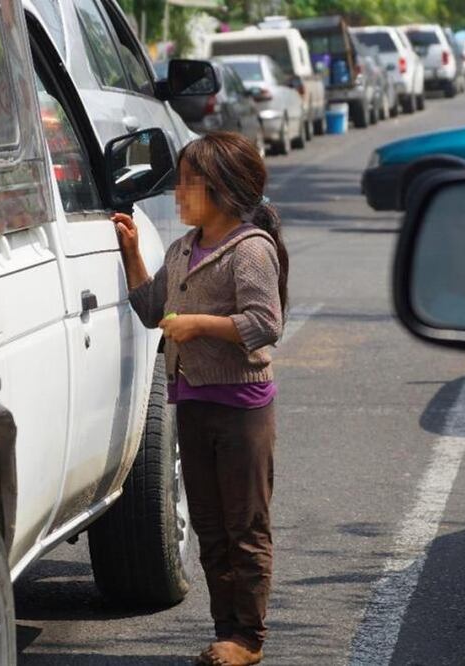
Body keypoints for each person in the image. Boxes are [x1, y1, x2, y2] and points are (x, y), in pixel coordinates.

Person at [113, 131, 287, 666]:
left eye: (188, 183)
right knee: (210, 527)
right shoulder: (183, 248)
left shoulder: (250, 249)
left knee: (245, 527)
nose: (177, 193)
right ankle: (225, 632)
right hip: (193, 402)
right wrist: (131, 256)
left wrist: (199, 325)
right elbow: (151, 309)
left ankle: (249, 638)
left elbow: (266, 324)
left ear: (220, 189)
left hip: (241, 408)